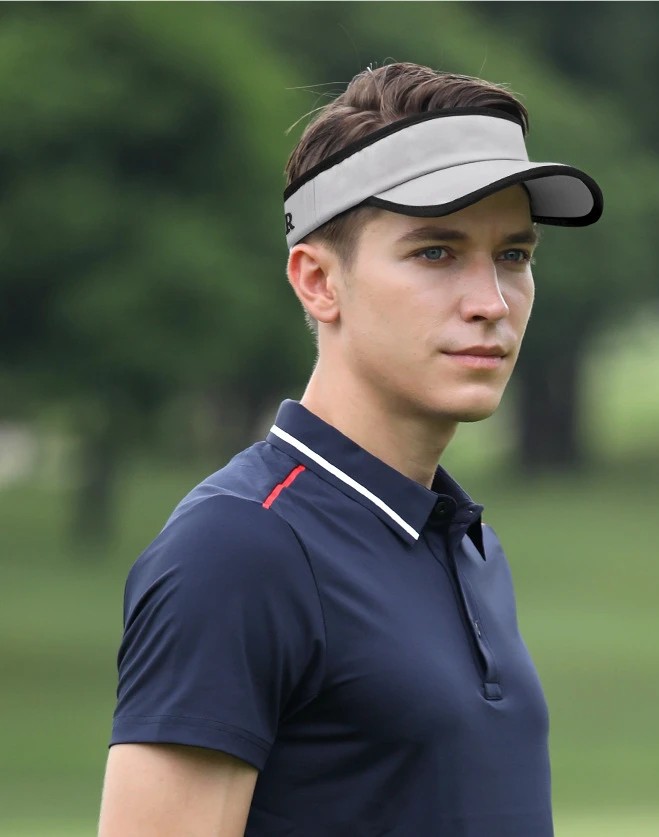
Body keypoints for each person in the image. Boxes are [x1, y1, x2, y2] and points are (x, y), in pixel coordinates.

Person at [98, 61, 603, 836]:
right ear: (318, 282)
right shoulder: (239, 549)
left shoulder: (465, 543)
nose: (491, 302)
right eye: (436, 252)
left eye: (514, 255)